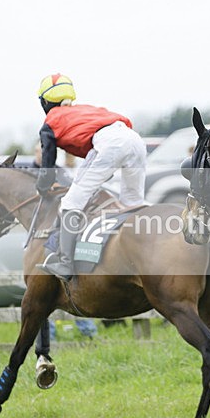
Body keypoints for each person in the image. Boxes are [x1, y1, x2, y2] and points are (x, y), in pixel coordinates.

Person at [35, 73, 147, 281]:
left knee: (70, 202)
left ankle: (65, 263)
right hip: (135, 140)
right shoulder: (85, 110)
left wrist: (43, 187)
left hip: (109, 143)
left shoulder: (50, 121)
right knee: (133, 203)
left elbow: (47, 165)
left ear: (45, 101)